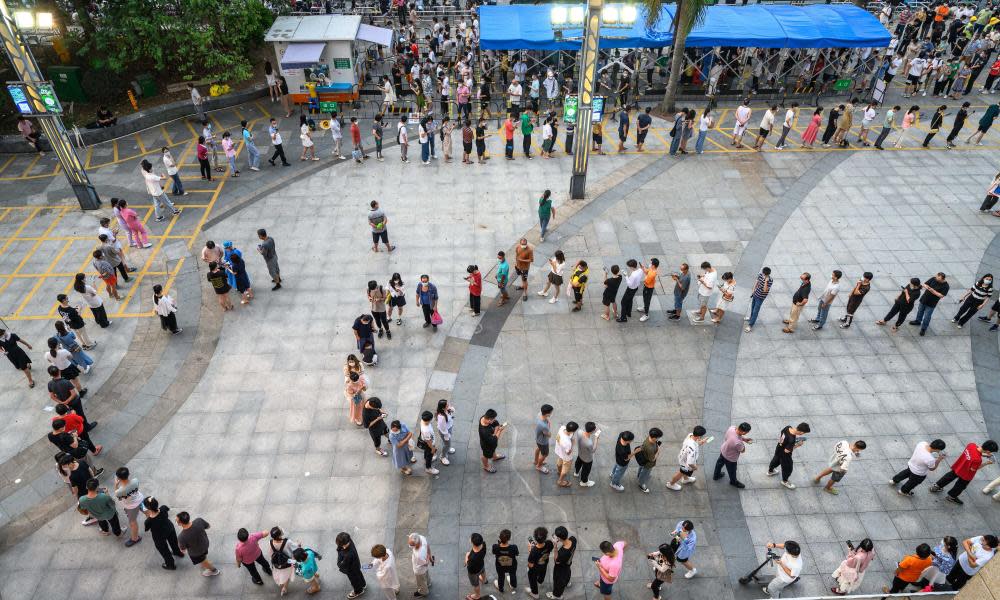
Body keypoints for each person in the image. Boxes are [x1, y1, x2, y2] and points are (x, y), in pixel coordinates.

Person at [929, 439, 998, 504]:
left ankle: (936, 487)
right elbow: (974, 469)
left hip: (959, 466)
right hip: (966, 474)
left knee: (948, 476)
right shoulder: (978, 460)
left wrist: (984, 455)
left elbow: (973, 454)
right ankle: (951, 497)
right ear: (988, 451)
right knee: (960, 485)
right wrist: (987, 463)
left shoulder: (971, 445)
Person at [142, 497, 185, 570]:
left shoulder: (148, 521)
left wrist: (149, 515)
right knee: (174, 542)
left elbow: (146, 529)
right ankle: (177, 552)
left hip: (159, 536)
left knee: (164, 550)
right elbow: (167, 509)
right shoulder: (163, 508)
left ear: (147, 508)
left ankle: (170, 564)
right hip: (169, 528)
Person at [767, 422, 810, 489]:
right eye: (803, 433)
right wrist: (798, 445)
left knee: (775, 460)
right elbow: (787, 451)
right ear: (801, 432)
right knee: (788, 468)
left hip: (779, 447)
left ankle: (770, 471)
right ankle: (785, 481)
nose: (803, 434)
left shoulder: (787, 427)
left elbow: (784, 437)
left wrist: (789, 442)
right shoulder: (792, 440)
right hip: (785, 455)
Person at [176, 511, 220, 577]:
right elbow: (208, 526)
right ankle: (205, 559)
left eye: (176, 520)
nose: (175, 520)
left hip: (196, 553)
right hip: (205, 543)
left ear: (180, 523)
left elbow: (183, 549)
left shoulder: (181, 537)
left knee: (203, 561)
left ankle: (214, 571)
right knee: (204, 555)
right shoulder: (198, 521)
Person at [667, 425, 706, 491]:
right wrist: (694, 467)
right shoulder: (692, 448)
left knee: (684, 472)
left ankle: (686, 479)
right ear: (699, 436)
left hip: (683, 458)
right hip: (685, 464)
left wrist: (701, 442)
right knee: (680, 473)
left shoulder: (690, 435)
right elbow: (690, 462)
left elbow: (695, 443)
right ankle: (671, 484)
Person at [714, 422, 752, 488]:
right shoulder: (738, 443)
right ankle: (733, 481)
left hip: (723, 451)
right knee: (732, 471)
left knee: (719, 464)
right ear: (743, 432)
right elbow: (743, 450)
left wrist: (744, 439)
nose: (746, 433)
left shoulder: (732, 428)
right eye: (747, 432)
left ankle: (716, 476)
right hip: (730, 458)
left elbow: (736, 436)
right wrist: (743, 443)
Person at [335, 532, 367, 599]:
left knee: (354, 580)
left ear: (344, 544)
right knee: (358, 574)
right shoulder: (349, 540)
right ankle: (363, 584)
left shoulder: (348, 555)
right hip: (356, 564)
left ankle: (358, 591)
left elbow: (341, 565)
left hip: (351, 569)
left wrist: (339, 563)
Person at [548, 526, 576, 599]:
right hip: (568, 564)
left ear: (559, 539)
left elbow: (556, 561)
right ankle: (567, 583)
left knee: (558, 582)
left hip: (560, 569)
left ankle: (557, 595)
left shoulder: (563, 553)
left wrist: (555, 545)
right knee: (567, 573)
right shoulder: (573, 539)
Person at [635, 427, 663, 493]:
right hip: (648, 463)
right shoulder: (650, 448)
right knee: (645, 472)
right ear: (654, 438)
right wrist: (658, 451)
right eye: (658, 437)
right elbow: (652, 459)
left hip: (643, 458)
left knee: (641, 468)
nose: (658, 439)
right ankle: (641, 484)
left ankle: (639, 475)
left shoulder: (648, 438)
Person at [492, 529, 519, 594]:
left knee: (501, 576)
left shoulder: (495, 547)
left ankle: (501, 588)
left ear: (500, 538)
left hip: (500, 566)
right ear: (509, 539)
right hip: (512, 565)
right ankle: (513, 585)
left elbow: (494, 552)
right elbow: (517, 553)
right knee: (513, 574)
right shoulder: (513, 547)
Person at [479, 409, 506, 473]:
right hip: (487, 445)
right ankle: (486, 466)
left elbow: (495, 423)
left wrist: (496, 428)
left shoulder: (483, 418)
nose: (494, 420)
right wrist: (499, 430)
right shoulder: (484, 432)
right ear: (489, 420)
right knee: (485, 455)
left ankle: (495, 457)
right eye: (493, 419)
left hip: (489, 441)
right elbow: (494, 440)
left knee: (493, 450)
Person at [408, 532, 432, 597]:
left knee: (421, 582)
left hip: (419, 570)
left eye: (411, 545)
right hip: (424, 568)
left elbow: (425, 563)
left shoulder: (418, 555)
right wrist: (429, 556)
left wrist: (427, 559)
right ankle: (428, 583)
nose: (409, 546)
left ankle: (423, 592)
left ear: (416, 544)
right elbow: (428, 546)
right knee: (426, 575)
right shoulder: (421, 537)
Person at [534, 404, 553, 474]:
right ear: (547, 413)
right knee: (545, 454)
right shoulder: (544, 426)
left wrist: (547, 421)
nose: (551, 413)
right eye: (551, 412)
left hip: (538, 438)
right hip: (543, 441)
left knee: (538, 448)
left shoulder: (539, 415)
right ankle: (539, 465)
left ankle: (536, 461)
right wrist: (549, 431)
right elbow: (548, 434)